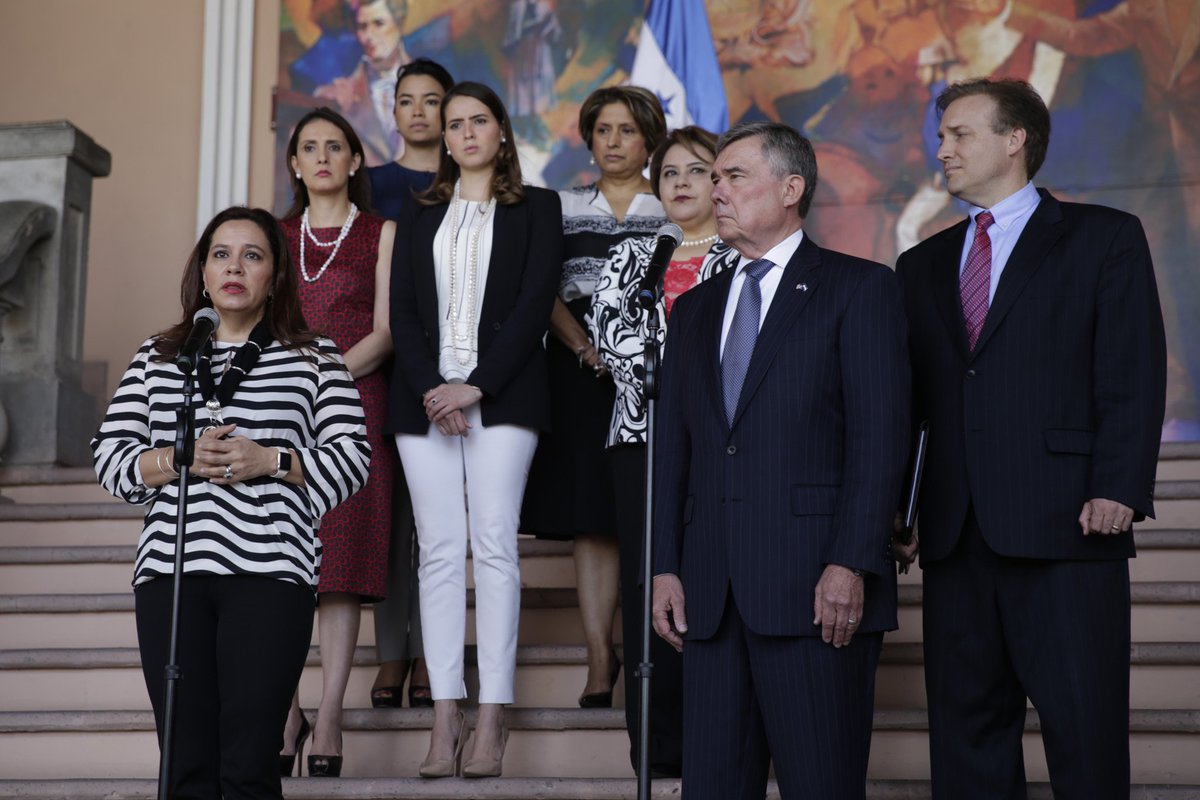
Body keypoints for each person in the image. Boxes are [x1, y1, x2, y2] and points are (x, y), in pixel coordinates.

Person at [893, 77, 1167, 800]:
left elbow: (1131, 370)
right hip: (955, 536)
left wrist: (1118, 484)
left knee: (1084, 732)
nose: (942, 150)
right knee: (967, 740)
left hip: (1068, 526)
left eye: (960, 134)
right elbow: (911, 403)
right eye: (941, 136)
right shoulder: (920, 264)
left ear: (1014, 140)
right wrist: (901, 506)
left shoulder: (1103, 237)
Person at [651, 121, 910, 800]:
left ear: (791, 188)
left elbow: (880, 440)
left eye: (733, 176)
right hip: (710, 599)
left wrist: (851, 562)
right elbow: (673, 448)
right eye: (714, 178)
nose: (716, 190)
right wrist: (665, 566)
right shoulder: (695, 308)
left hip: (816, 593)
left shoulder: (860, 288)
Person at [91, 206, 371, 800]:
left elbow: (353, 459)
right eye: (221, 254)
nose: (234, 267)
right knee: (184, 766)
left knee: (248, 765)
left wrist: (271, 460)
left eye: (252, 255)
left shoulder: (315, 355)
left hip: (271, 572)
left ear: (275, 275)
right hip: (171, 573)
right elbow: (111, 458)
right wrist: (180, 458)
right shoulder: (159, 354)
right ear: (203, 271)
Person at [387, 80, 561, 779]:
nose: (464, 132)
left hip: (505, 397)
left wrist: (476, 385)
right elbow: (402, 313)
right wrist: (434, 391)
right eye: (453, 122)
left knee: (493, 546)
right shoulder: (418, 210)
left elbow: (533, 306)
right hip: (423, 401)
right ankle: (444, 715)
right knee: (436, 552)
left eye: (477, 120)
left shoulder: (539, 208)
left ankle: (493, 715)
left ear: (501, 131)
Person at [587, 125, 736, 777]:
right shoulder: (633, 254)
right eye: (669, 172)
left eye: (696, 170)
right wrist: (681, 382)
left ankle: (719, 741)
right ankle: (657, 749)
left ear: (720, 180)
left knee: (713, 579)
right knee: (649, 583)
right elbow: (611, 335)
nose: (680, 182)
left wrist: (679, 383)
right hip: (640, 440)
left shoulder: (740, 256)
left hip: (722, 444)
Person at [522, 85, 667, 709]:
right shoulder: (561, 205)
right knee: (593, 520)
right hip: (581, 373)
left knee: (648, 512)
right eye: (603, 130)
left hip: (657, 376)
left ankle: (649, 651)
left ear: (650, 140)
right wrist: (587, 346)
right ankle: (600, 658)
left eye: (627, 130)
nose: (613, 141)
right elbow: (541, 290)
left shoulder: (673, 203)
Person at [276, 106, 395, 778]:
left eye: (335, 146)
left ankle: (328, 715)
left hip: (354, 407)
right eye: (309, 147)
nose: (322, 157)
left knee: (341, 568)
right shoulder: (273, 236)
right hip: (279, 412)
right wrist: (290, 389)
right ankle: (285, 710)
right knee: (282, 561)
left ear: (354, 159)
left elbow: (386, 332)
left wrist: (321, 378)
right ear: (295, 164)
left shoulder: (382, 233)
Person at [366, 56, 454, 714]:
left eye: (431, 100)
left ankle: (431, 650)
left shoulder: (470, 180)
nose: (418, 111)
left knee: (439, 520)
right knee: (388, 517)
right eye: (407, 100)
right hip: (381, 364)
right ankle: (390, 651)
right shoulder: (370, 185)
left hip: (452, 365)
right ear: (391, 111)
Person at [315, 0, 411, 165]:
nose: (369, 36)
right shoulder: (340, 94)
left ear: (399, 23)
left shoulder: (431, 85)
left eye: (379, 24)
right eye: (362, 27)